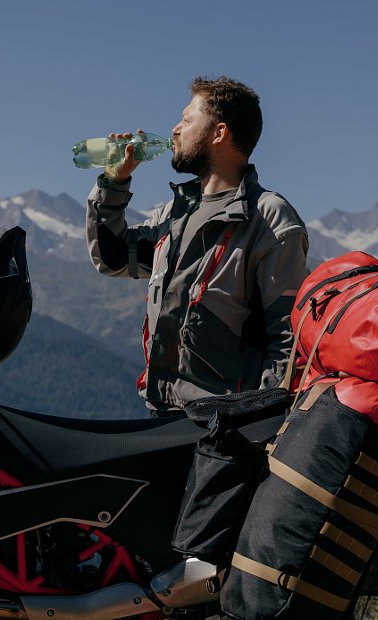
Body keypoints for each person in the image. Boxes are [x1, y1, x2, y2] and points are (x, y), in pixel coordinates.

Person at [86, 76, 309, 415]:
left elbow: (288, 345)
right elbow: (112, 258)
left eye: (187, 119)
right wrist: (114, 182)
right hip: (160, 413)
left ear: (219, 133)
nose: (175, 129)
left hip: (223, 428)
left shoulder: (268, 219)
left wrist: (254, 424)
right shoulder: (174, 213)